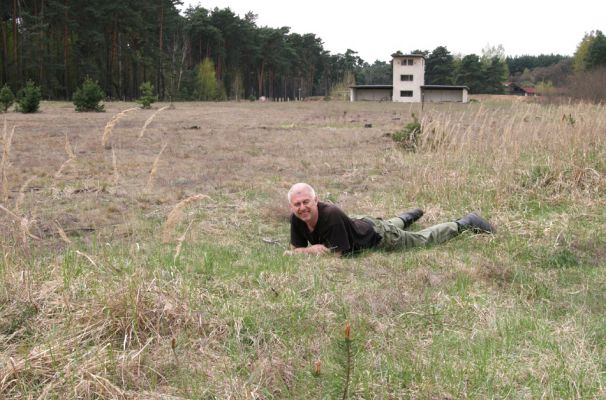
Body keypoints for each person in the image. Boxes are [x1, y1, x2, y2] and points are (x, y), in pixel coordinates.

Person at [285, 182, 495, 256]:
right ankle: (409, 215)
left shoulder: (331, 215)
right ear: (292, 206)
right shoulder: (297, 218)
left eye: (306, 202)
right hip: (360, 224)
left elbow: (336, 256)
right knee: (386, 224)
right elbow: (294, 251)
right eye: (297, 204)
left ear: (316, 200)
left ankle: (465, 223)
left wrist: (306, 252)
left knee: (421, 240)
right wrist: (310, 250)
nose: (302, 208)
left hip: (378, 236)